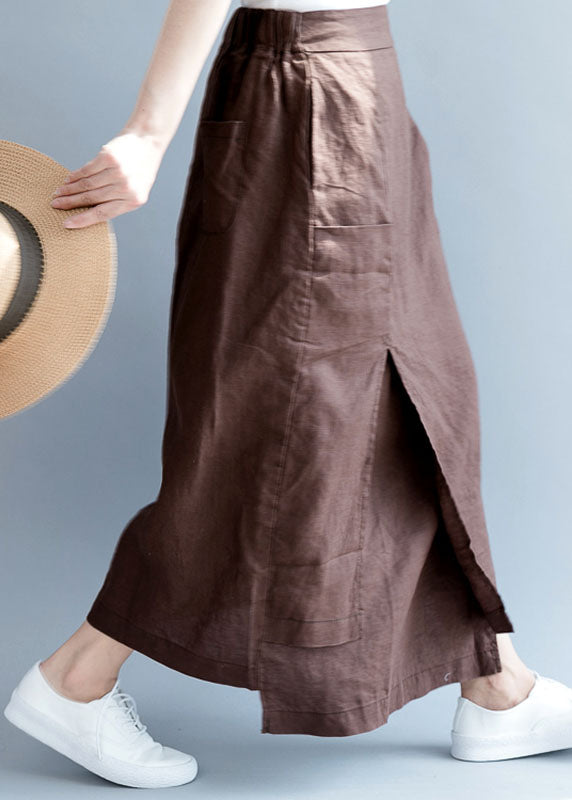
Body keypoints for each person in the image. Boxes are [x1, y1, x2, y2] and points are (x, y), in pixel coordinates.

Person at [5, 0, 572, 789]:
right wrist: (148, 132)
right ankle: (77, 675)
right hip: (313, 93)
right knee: (296, 422)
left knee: (399, 405)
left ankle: (496, 683)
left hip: (349, 78)